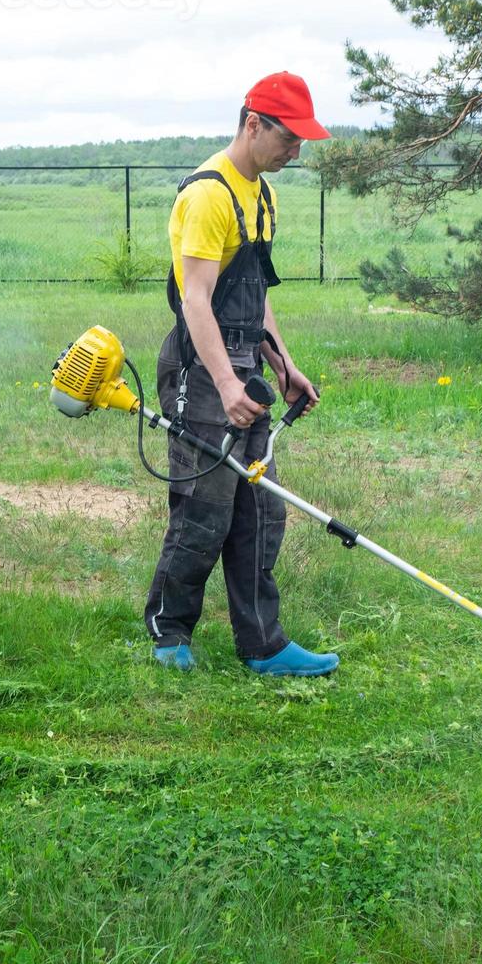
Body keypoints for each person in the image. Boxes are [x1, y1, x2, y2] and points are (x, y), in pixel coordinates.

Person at [144, 71, 338, 677]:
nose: (296, 151)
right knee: (205, 508)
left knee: (260, 508)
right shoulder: (207, 195)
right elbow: (196, 300)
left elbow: (255, 296)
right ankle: (169, 630)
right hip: (200, 371)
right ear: (252, 123)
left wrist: (283, 363)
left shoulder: (262, 193)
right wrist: (226, 382)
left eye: (303, 140)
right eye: (289, 138)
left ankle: (264, 645)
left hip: (246, 363)